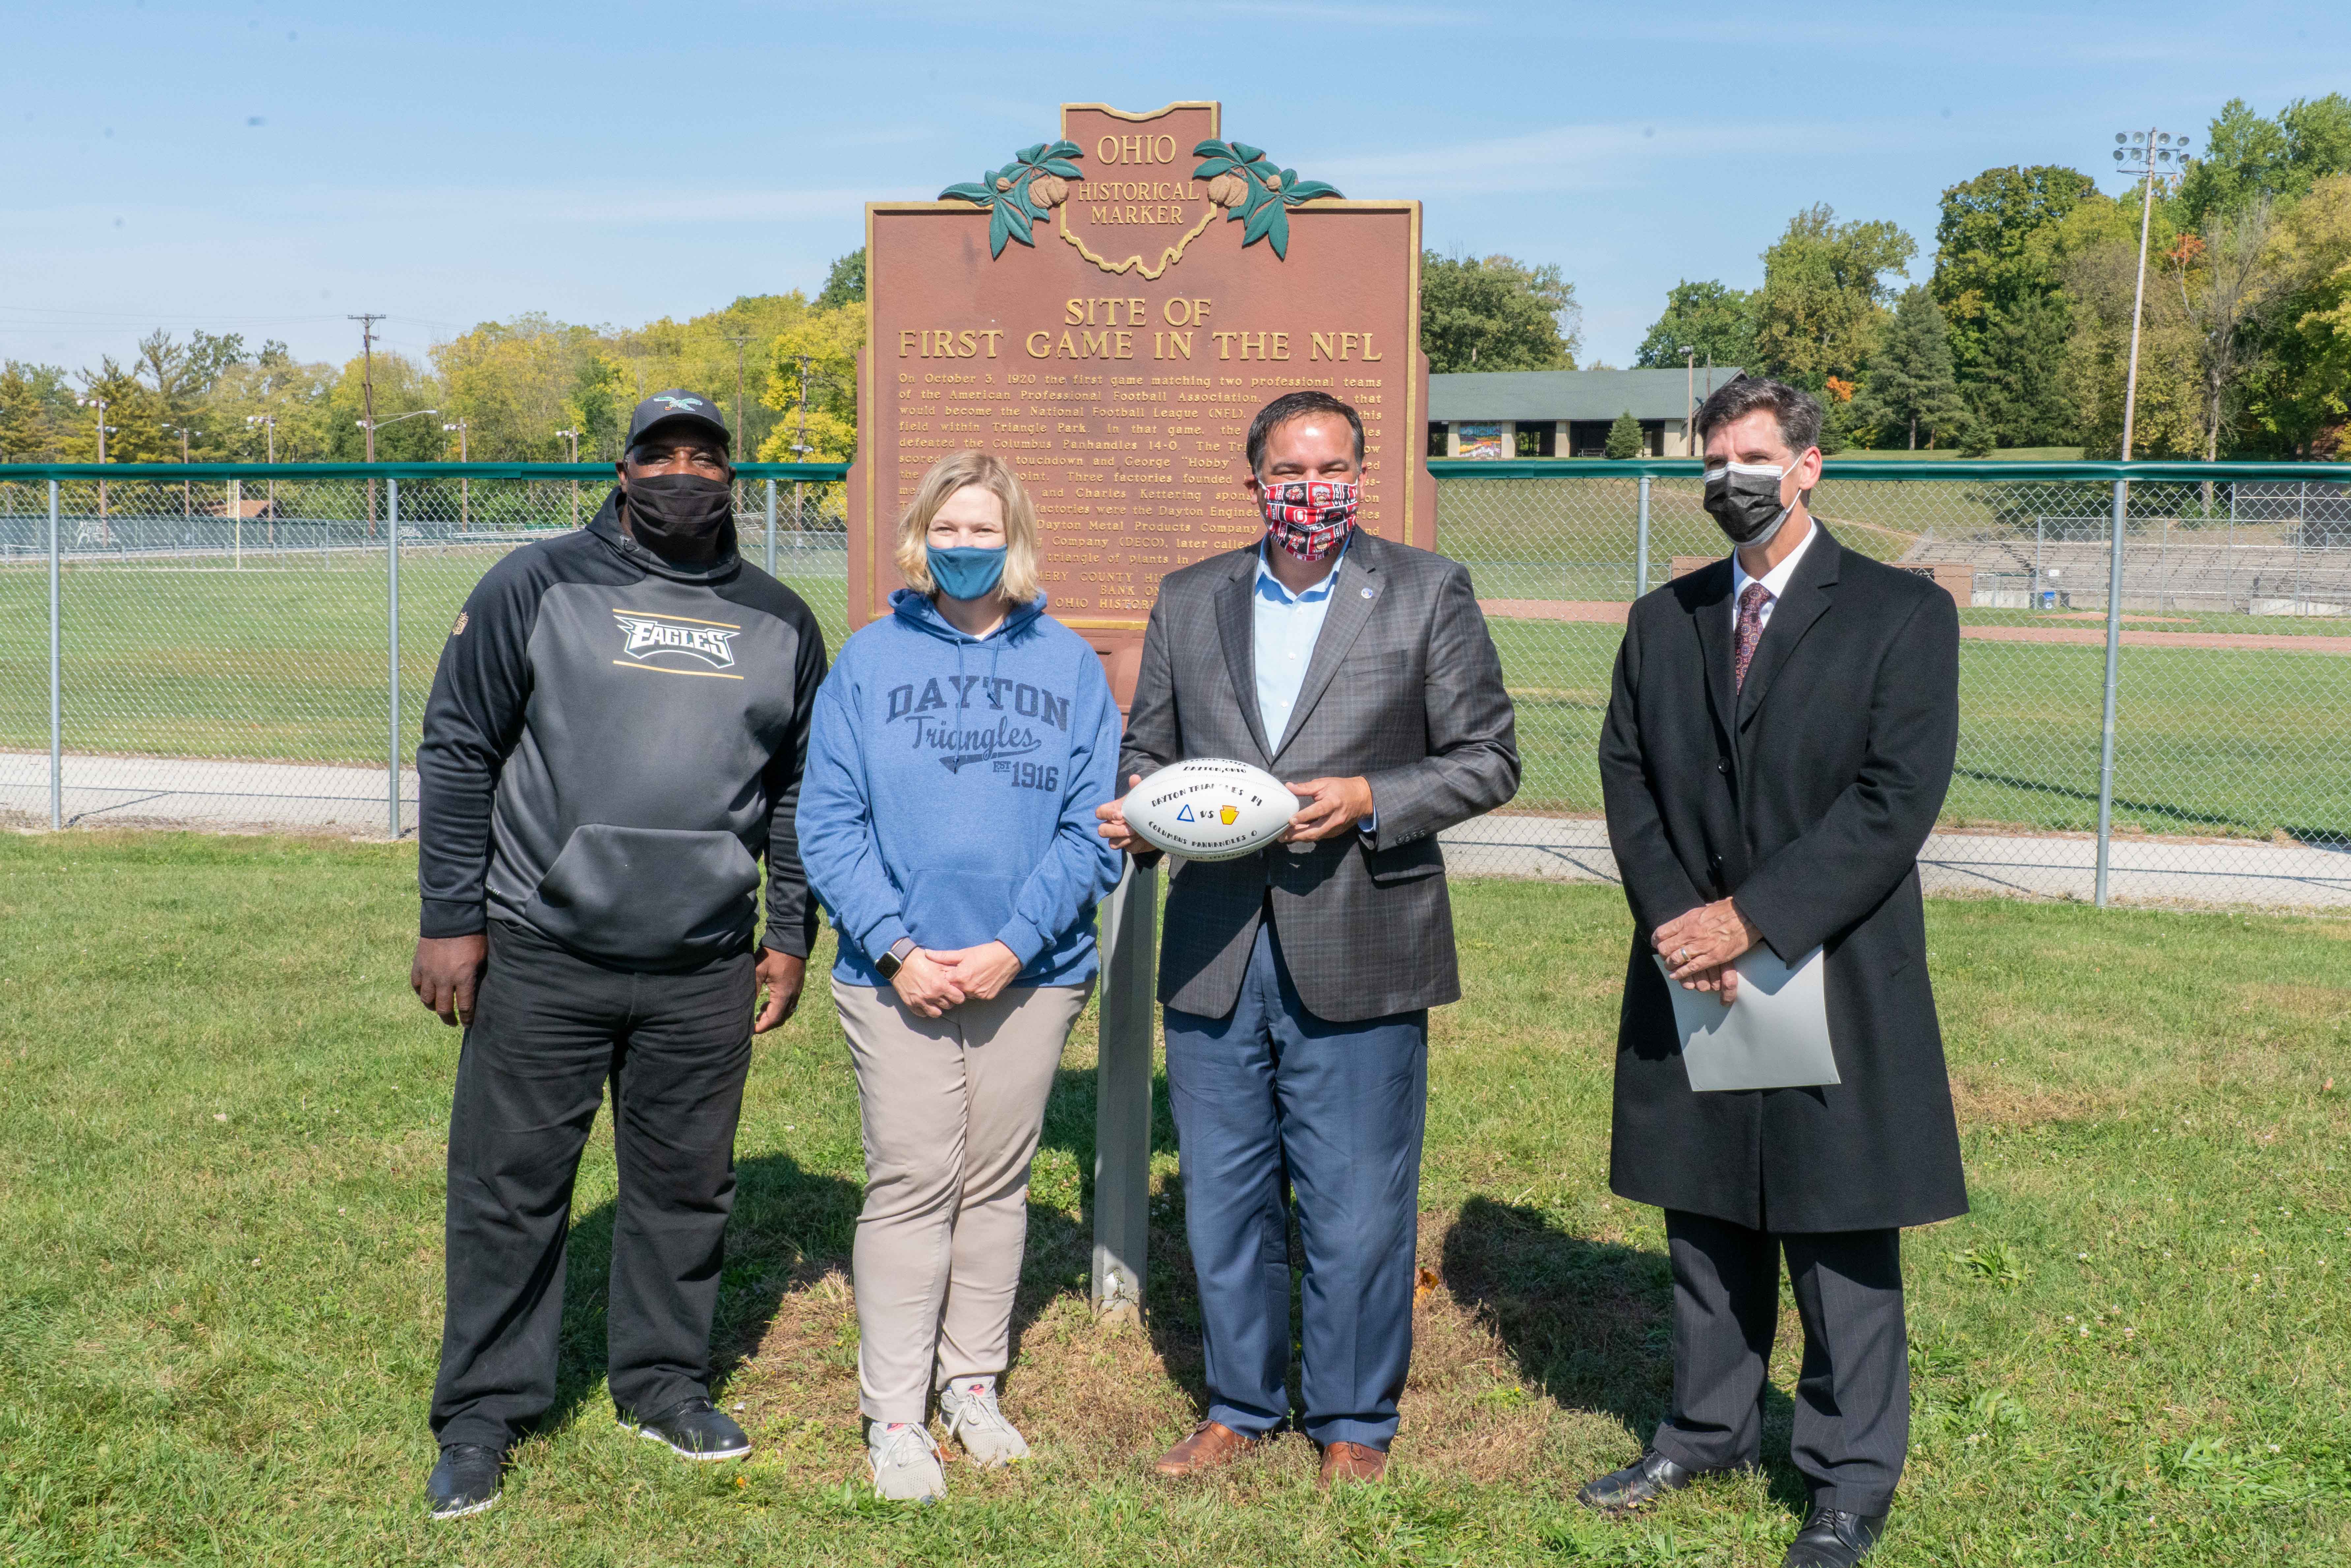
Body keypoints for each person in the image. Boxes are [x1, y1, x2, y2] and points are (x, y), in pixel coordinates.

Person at [408, 391, 827, 1521]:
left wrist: (787, 931)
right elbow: (457, 749)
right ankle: (484, 1415)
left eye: (704, 457)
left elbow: (794, 792)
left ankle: (662, 1385)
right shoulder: (534, 584)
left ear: (731, 476)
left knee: (686, 1188)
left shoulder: (781, 617)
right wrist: (452, 917)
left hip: (702, 960)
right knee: (508, 1191)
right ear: (623, 468)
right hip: (544, 947)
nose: (682, 472)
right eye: (661, 455)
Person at [1096, 390, 1519, 1487]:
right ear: (1254, 482)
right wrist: (1144, 809)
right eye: (1290, 469)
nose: (1311, 488)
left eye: (1333, 468)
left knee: (1356, 1201)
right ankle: (1240, 1404)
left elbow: (1487, 756)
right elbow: (1146, 747)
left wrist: (1373, 795)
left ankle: (1351, 1422)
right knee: (1223, 1193)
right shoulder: (1191, 600)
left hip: (1364, 937)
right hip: (1214, 944)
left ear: (1361, 478)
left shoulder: (1426, 592)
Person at [1583, 376, 1966, 1568]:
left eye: (1752, 457)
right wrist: (1681, 922)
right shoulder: (1665, 617)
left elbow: (1894, 800)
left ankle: (1848, 1475)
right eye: (1712, 462)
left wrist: (1754, 917)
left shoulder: (1901, 613)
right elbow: (1628, 776)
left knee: (1839, 1225)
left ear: (1808, 466)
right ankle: (1704, 1428)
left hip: (1829, 964)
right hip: (1689, 965)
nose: (1728, 480)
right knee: (1704, 1214)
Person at [796, 451, 1124, 1504]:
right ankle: (895, 1412)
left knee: (994, 1181)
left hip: (1030, 972)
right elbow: (826, 821)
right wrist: (895, 945)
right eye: (950, 529)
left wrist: (1012, 945)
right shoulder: (868, 661)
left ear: (1014, 541)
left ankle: (970, 1384)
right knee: (909, 1178)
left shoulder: (1068, 663)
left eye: (985, 531)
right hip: (893, 974)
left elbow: (1092, 829)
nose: (966, 548)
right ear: (920, 538)